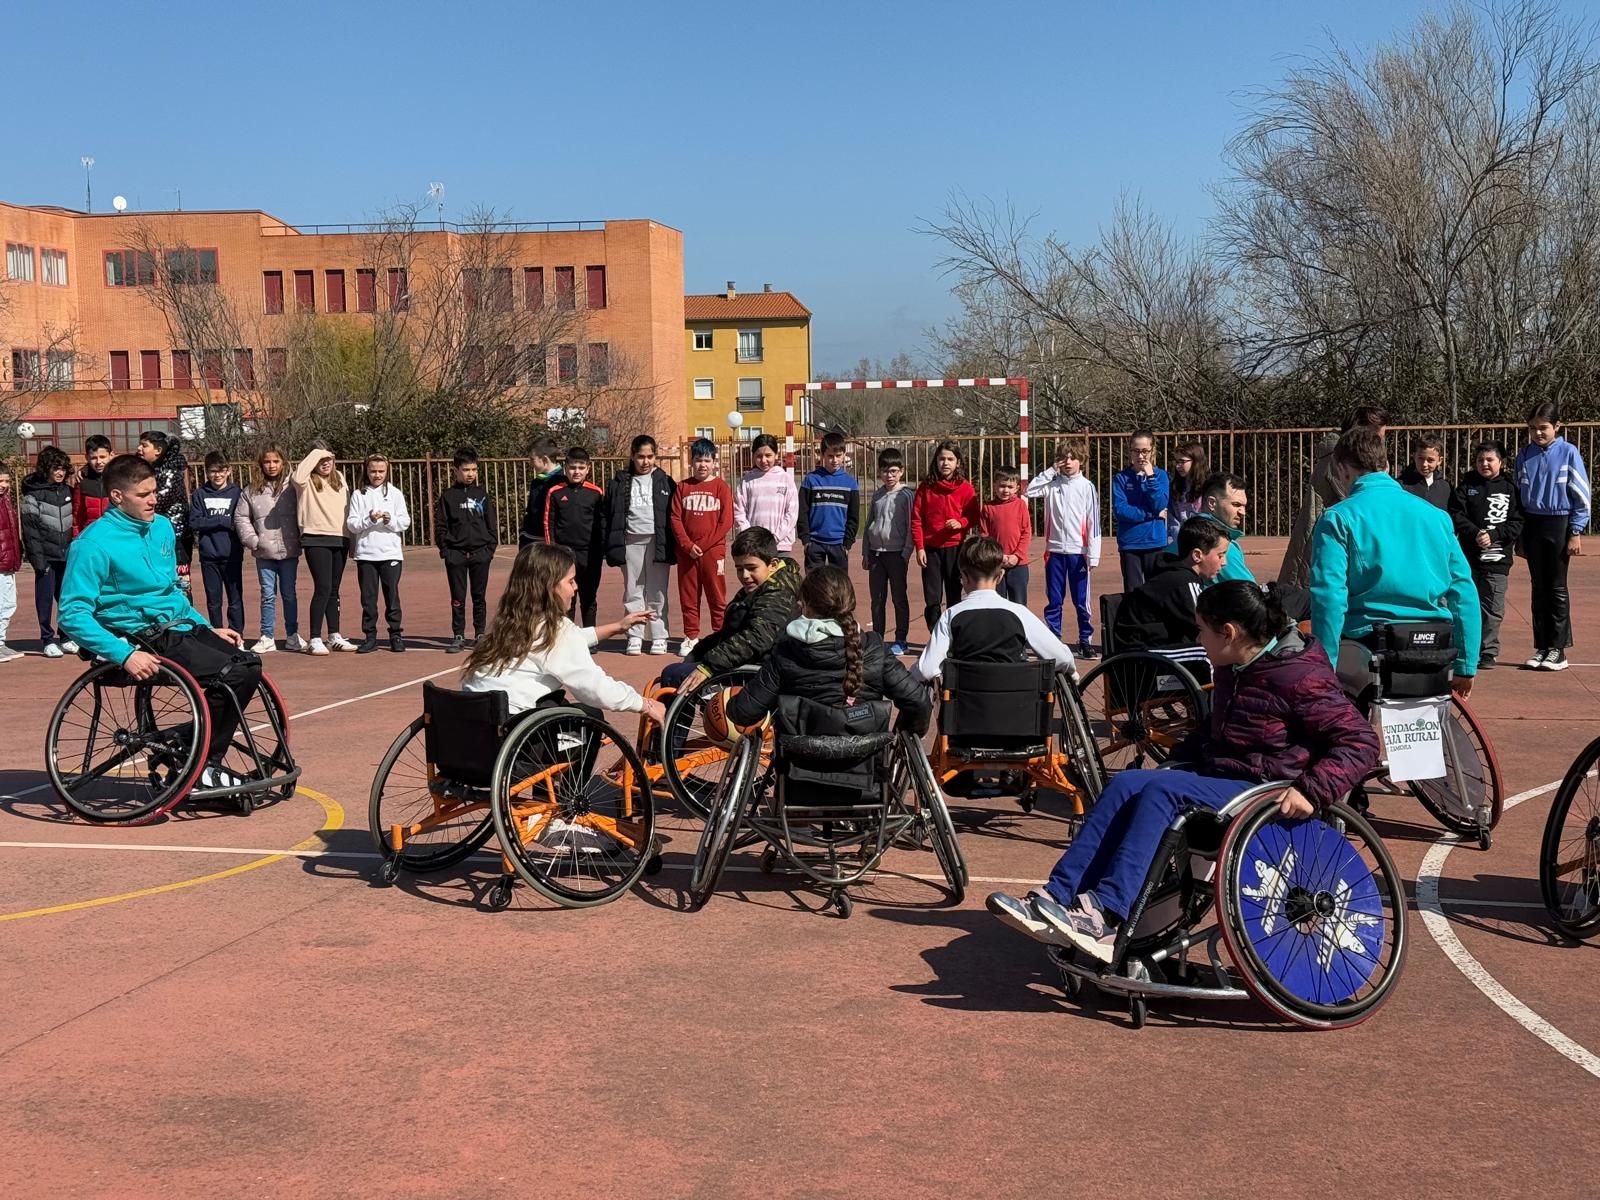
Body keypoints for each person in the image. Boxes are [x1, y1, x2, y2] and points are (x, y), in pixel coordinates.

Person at [987, 581, 1380, 963]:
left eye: (1202, 630)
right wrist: (1173, 761)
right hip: (1227, 779)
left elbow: (1360, 742)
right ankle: (1058, 896)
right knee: (1126, 783)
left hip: (1266, 793)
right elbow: (1214, 731)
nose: (1198, 637)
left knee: (1163, 792)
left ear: (1228, 633)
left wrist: (1310, 792)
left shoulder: (1299, 677)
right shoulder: (1237, 665)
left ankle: (1105, 916)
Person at [59, 453, 262, 792]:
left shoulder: (163, 527)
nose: (154, 499)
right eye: (143, 494)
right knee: (233, 674)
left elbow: (171, 592)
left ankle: (186, 747)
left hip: (176, 626)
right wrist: (122, 654)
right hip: (138, 636)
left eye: (154, 491)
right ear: (118, 497)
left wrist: (206, 627)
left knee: (248, 662)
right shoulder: (93, 544)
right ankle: (201, 766)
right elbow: (72, 614)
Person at [1309, 426, 1479, 697]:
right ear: (1386, 465)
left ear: (1341, 470)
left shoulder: (1338, 518)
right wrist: (1466, 665)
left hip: (1368, 642)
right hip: (1433, 643)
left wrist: (1324, 665)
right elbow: (1463, 591)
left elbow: (1329, 596)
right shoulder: (1436, 517)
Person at [462, 542, 664, 728]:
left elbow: (566, 641)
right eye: (571, 581)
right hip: (518, 735)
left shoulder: (507, 623)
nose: (576, 587)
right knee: (590, 717)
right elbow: (594, 687)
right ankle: (578, 769)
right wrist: (643, 704)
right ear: (550, 587)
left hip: (477, 730)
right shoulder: (557, 630)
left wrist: (618, 627)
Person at [723, 564, 931, 738]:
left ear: (805, 606)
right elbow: (918, 701)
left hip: (799, 771)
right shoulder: (874, 649)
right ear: (850, 603)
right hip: (867, 776)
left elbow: (743, 713)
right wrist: (905, 734)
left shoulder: (787, 651)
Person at [912, 536, 1075, 684]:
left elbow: (926, 669)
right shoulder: (1019, 613)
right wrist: (1072, 673)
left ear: (963, 576)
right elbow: (1062, 658)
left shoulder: (951, 615)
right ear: (1000, 575)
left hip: (965, 707)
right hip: (1017, 706)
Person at [659, 525, 802, 693]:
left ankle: (668, 719)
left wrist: (709, 665)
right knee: (685, 666)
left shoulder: (778, 592)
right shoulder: (761, 585)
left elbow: (757, 638)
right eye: (739, 569)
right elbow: (730, 633)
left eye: (751, 568)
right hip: (744, 661)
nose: (745, 575)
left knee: (673, 675)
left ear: (773, 564)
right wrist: (698, 652)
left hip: (758, 671)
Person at [1515, 402, 1590, 671]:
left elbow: (1581, 494)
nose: (1537, 433)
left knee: (1556, 588)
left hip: (1559, 523)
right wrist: (1521, 534)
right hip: (1532, 524)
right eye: (1533, 428)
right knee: (1538, 587)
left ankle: (1558, 649)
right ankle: (1542, 646)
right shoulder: (1524, 455)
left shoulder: (1569, 453)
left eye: (1543, 428)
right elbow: (1518, 497)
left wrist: (1576, 531)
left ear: (1556, 427)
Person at [1280, 406, 1388, 589]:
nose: (1381, 442)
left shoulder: (1341, 456)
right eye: (1377, 436)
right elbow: (1360, 501)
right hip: (1325, 540)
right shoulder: (1341, 460)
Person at [1112, 517, 1228, 681]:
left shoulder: (1183, 577)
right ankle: (1219, 706)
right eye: (1221, 555)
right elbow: (1203, 624)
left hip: (1155, 647)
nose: (1224, 563)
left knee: (1218, 647)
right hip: (1140, 657)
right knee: (1210, 655)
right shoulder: (1182, 582)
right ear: (1197, 555)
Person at [1449, 441, 1523, 672]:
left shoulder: (1510, 489)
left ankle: (1488, 651)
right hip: (1469, 559)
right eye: (1480, 460)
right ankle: (1464, 649)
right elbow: (1456, 514)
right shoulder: (1466, 485)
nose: (1484, 464)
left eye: (1490, 460)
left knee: (1492, 608)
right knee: (1466, 604)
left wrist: (1494, 534)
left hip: (1497, 560)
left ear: (1500, 462)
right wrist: (1475, 533)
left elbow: (1517, 522)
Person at [1027, 439, 1101, 659]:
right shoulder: (1052, 483)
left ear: (1082, 461)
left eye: (1073, 458)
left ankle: (1085, 641)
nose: (1068, 462)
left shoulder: (1087, 487)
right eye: (1064, 458)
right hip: (1055, 551)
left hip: (1079, 553)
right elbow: (1030, 491)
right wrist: (1050, 470)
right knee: (1055, 599)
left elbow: (1093, 522)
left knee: (1081, 601)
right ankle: (1053, 639)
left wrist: (1093, 554)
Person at [604, 433, 675, 655]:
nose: (645, 462)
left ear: (656, 457)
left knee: (657, 591)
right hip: (630, 540)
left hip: (657, 541)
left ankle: (659, 635)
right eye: (640, 456)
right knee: (633, 590)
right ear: (632, 457)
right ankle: (634, 635)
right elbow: (609, 513)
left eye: (650, 456)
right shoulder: (620, 482)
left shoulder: (665, 481)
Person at [236, 445, 303, 654]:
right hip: (264, 551)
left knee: (289, 593)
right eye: (267, 461)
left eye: (276, 461)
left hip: (289, 549)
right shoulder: (251, 490)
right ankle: (267, 635)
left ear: (283, 462)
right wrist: (254, 541)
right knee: (267, 594)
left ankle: (292, 634)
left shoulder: (293, 486)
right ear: (261, 464)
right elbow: (241, 517)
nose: (272, 466)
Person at [671, 437, 734, 657]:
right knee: (689, 595)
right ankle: (691, 637)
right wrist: (687, 545)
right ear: (691, 462)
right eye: (698, 460)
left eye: (707, 460)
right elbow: (675, 519)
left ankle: (719, 635)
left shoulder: (721, 488)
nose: (702, 465)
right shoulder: (682, 487)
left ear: (715, 462)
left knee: (717, 595)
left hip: (712, 552)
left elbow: (725, 522)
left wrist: (704, 545)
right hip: (687, 554)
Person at [293, 446, 356, 655]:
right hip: (315, 537)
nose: (326, 463)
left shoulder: (339, 477)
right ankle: (314, 637)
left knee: (334, 589)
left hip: (339, 538)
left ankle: (334, 635)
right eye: (321, 460)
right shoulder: (306, 481)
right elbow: (298, 475)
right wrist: (317, 452)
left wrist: (351, 540)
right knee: (323, 587)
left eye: (329, 459)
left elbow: (347, 508)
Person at [435, 445, 498, 654]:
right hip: (456, 555)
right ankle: (458, 635)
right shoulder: (448, 496)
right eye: (466, 470)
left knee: (479, 596)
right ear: (456, 471)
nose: (470, 474)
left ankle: (480, 634)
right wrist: (447, 551)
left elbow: (491, 524)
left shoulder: (482, 495)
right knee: (458, 597)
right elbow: (441, 526)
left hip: (481, 554)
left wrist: (490, 548)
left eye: (474, 469)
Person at [912, 440, 979, 631]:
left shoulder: (965, 488)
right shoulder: (925, 487)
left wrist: (961, 523)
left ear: (958, 462)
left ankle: (954, 635)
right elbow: (916, 520)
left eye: (950, 459)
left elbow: (974, 515)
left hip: (955, 548)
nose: (946, 463)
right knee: (932, 597)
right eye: (942, 458)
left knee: (954, 593)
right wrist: (920, 547)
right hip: (931, 550)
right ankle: (935, 634)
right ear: (936, 461)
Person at [347, 452, 410, 653]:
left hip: (390, 554)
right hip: (366, 554)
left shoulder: (395, 493)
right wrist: (369, 520)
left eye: (381, 471)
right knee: (368, 598)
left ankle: (395, 635)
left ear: (387, 471)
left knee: (392, 596)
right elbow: (352, 524)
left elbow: (405, 522)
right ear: (367, 471)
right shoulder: (359, 494)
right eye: (373, 471)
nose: (377, 475)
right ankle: (370, 636)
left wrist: (389, 520)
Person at [542, 446, 606, 627]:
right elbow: (549, 523)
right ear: (565, 468)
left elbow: (602, 524)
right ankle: (566, 636)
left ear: (588, 469)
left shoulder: (596, 493)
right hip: (564, 555)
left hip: (589, 555)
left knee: (589, 598)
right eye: (572, 468)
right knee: (565, 597)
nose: (576, 472)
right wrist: (552, 551)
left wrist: (601, 551)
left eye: (581, 468)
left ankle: (589, 638)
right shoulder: (555, 492)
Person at [21, 445, 75, 657]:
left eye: (63, 468)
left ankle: (66, 636)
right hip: (46, 558)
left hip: (67, 556)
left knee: (67, 599)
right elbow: (30, 532)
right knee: (44, 600)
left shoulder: (68, 491)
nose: (60, 472)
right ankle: (46, 638)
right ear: (46, 469)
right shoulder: (33, 495)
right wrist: (39, 562)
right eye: (55, 468)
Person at [862, 447, 915, 655]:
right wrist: (866, 552)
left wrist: (906, 553)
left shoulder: (906, 495)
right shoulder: (877, 495)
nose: (889, 475)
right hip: (876, 554)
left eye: (893, 471)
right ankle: (877, 638)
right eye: (885, 471)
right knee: (877, 599)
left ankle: (901, 639)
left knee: (899, 598)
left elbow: (912, 525)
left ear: (901, 471)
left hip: (896, 554)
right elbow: (869, 525)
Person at [190, 451, 246, 635]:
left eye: (221, 470)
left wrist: (219, 522)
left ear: (228, 471)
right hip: (209, 556)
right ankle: (218, 633)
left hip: (232, 555)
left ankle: (237, 634)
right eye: (213, 471)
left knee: (235, 598)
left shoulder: (237, 493)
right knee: (213, 600)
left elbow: (239, 521)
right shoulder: (199, 494)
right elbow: (195, 522)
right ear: (207, 472)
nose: (217, 475)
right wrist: (221, 521)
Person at [1168, 473, 1255, 584]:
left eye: (1244, 506)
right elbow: (1251, 592)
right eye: (1236, 504)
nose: (1243, 512)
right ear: (1212, 503)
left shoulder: (1182, 537)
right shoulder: (1224, 548)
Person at [1112, 431, 1170, 591]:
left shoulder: (1161, 476)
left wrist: (1150, 477)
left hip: (1155, 541)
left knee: (1156, 592)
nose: (1141, 456)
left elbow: (1160, 504)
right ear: (1130, 451)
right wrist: (1150, 514)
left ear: (1153, 451)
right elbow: (1121, 511)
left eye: (1145, 451)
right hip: (1130, 544)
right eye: (1136, 451)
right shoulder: (1121, 478)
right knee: (1134, 593)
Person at [138, 431, 192, 592]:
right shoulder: (148, 470)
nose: (139, 449)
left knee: (180, 584)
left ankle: (183, 613)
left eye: (144, 446)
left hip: (177, 539)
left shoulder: (171, 472)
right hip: (153, 537)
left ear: (158, 450)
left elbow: (158, 501)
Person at [798, 430, 859, 571]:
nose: (835, 460)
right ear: (822, 455)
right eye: (830, 456)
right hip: (815, 543)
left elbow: (853, 517)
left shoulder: (850, 483)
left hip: (839, 544)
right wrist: (806, 540)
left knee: (838, 586)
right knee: (814, 585)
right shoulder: (811, 480)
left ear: (844, 455)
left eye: (838, 456)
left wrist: (847, 543)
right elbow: (802, 512)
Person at [979, 464, 1033, 608]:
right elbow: (985, 536)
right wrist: (998, 556)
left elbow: (1026, 533)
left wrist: (1017, 555)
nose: (1006, 490)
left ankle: (1019, 629)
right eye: (1002, 486)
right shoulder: (988, 508)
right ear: (995, 485)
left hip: (1018, 564)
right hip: (995, 564)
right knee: (997, 603)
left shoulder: (1021, 505)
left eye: (1010, 487)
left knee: (1019, 603)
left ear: (1016, 488)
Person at [734, 433, 798, 553]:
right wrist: (750, 537)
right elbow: (739, 512)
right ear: (753, 456)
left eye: (768, 455)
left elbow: (792, 513)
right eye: (759, 456)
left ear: (776, 455)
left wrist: (775, 538)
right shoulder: (747, 481)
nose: (764, 460)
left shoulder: (785, 479)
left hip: (780, 546)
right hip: (754, 547)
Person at [517, 435, 564, 546]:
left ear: (544, 459)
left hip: (550, 541)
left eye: (533, 459)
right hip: (531, 538)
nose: (530, 463)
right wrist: (523, 533)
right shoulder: (536, 482)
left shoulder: (562, 483)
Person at [1165, 441, 1208, 540]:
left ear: (1196, 461)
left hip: (1202, 539)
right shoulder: (1174, 486)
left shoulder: (1209, 487)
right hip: (1179, 540)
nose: (1178, 466)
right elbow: (1172, 518)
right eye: (1176, 461)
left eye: (1182, 461)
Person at [72, 435, 114, 535]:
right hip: (90, 535)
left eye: (103, 457)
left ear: (111, 455)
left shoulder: (119, 478)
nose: (99, 462)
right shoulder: (82, 481)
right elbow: (77, 516)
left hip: (114, 535)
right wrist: (76, 539)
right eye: (94, 458)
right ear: (87, 457)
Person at [0, 465, 20, 663]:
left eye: (6, 481)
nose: (4, 485)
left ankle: (1, 642)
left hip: (8, 561)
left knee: (8, 604)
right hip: (1, 562)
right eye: (0, 482)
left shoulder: (5, 501)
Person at [1400, 434, 1450, 510]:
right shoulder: (1401, 486)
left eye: (1430, 460)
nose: (1424, 464)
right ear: (1414, 457)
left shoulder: (1445, 488)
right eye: (1420, 458)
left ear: (1439, 460)